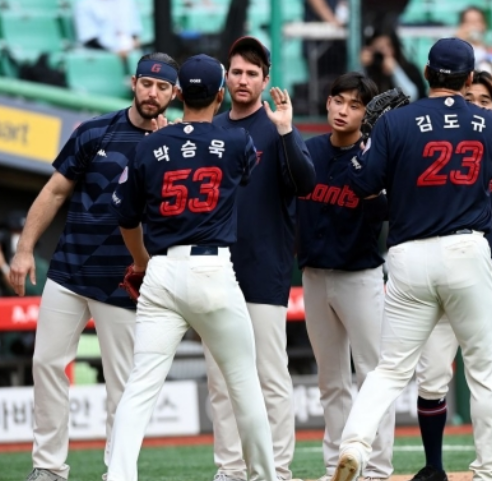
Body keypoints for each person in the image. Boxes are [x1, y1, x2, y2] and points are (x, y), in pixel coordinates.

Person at [330, 37, 492, 481]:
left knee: (390, 369)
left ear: (428, 73)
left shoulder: (397, 122)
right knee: (485, 370)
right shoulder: (490, 123)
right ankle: (491, 471)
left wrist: (372, 141)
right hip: (466, 249)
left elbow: (364, 186)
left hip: (410, 253)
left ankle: (354, 442)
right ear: (469, 79)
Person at [106, 53, 278, 481]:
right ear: (220, 95)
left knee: (140, 387)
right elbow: (242, 170)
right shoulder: (237, 142)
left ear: (178, 93)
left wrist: (142, 263)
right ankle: (263, 476)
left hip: (162, 272)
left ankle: (119, 475)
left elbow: (126, 217)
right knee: (244, 385)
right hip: (211, 269)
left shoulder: (148, 144)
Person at [8, 52, 177, 481]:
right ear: (133, 83)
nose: (152, 93)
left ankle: (116, 473)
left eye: (162, 87)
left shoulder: (176, 147)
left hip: (126, 280)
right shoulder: (93, 130)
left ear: (174, 93)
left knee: (123, 384)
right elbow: (53, 192)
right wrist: (25, 248)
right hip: (68, 270)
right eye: (146, 84)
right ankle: (48, 468)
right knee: (46, 364)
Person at [409, 70, 492, 481]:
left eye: (485, 101)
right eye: (470, 98)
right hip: (435, 276)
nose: (476, 105)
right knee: (431, 375)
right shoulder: (437, 149)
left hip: (491, 275)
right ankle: (433, 466)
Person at [202, 36, 315, 481]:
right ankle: (230, 470)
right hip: (213, 269)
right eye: (237, 71)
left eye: (252, 73)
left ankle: (278, 470)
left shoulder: (277, 125)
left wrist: (286, 129)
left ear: (266, 80)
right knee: (220, 380)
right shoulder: (211, 128)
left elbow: (305, 185)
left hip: (264, 265)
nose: (243, 79)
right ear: (225, 78)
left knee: (270, 376)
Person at [296, 72, 395, 481]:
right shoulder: (309, 151)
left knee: (373, 376)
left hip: (361, 276)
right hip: (315, 276)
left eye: (356, 105)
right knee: (331, 380)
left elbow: (385, 212)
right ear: (328, 102)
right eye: (339, 100)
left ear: (367, 114)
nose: (344, 110)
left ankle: (376, 468)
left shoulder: (375, 159)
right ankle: (336, 466)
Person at [455, 7, 492, 91]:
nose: (473, 26)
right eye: (468, 22)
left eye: (477, 22)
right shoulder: (453, 52)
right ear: (461, 26)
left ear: (485, 25)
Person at [361, 29, 426, 101]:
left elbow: (412, 97)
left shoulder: (410, 69)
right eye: (379, 48)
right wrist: (363, 66)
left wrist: (395, 70)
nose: (385, 51)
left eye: (388, 46)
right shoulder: (370, 72)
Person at [74, 0, 143, 57]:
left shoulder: (127, 2)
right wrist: (115, 53)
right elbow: (89, 40)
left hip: (129, 52)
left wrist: (134, 44)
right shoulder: (85, 4)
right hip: (101, 56)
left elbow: (135, 33)